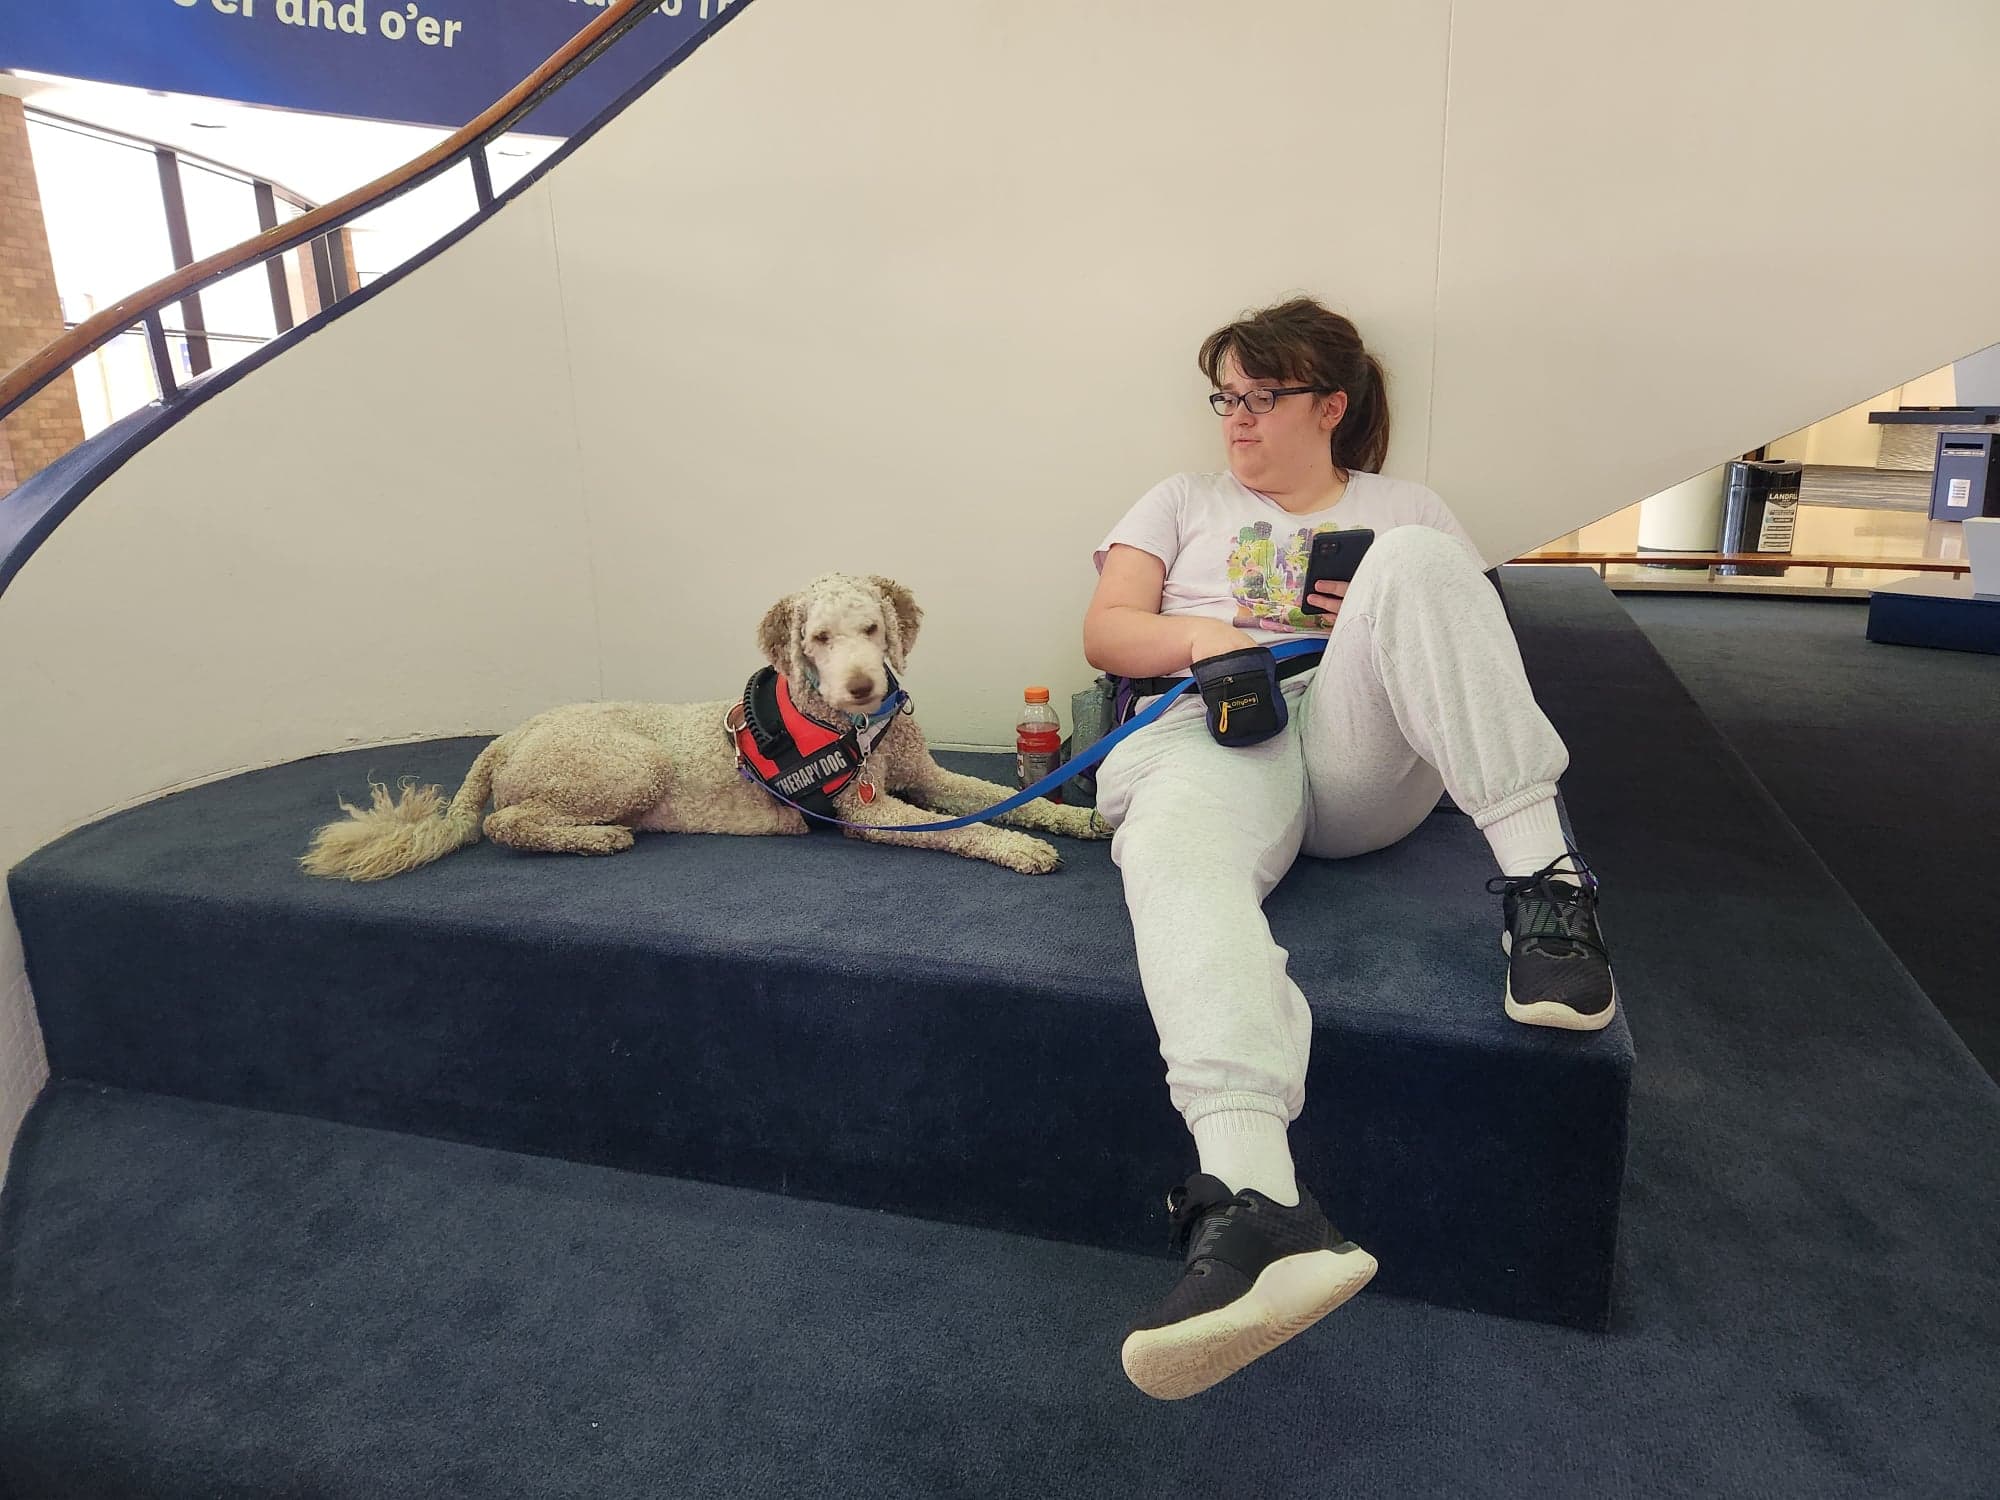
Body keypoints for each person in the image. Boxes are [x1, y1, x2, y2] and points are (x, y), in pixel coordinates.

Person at [1083, 297, 1615, 1401]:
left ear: (1328, 404)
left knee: (1420, 561)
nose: (1233, 420)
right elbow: (1106, 629)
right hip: (1219, 723)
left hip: (1361, 747)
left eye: (1258, 397)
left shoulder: (1400, 505)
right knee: (1170, 853)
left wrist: (1363, 602)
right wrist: (1206, 634)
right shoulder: (1180, 500)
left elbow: (1471, 655)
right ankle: (1256, 1204)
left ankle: (1547, 893)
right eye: (1223, 395)